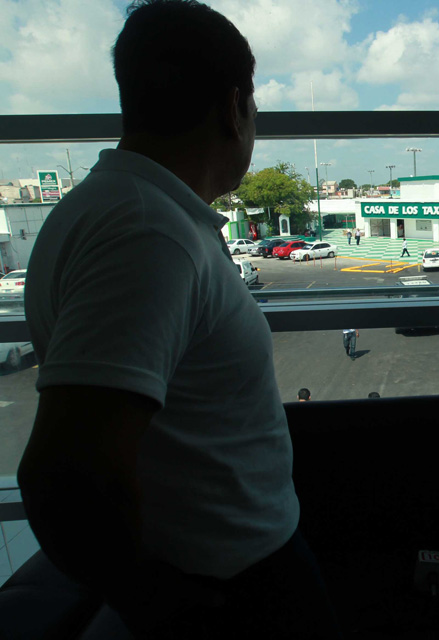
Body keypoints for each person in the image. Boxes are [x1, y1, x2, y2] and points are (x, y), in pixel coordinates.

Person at [16, 2, 341, 638]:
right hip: (235, 588)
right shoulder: (148, 234)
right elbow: (65, 469)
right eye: (254, 106)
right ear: (233, 107)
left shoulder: (114, 209)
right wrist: (150, 600)